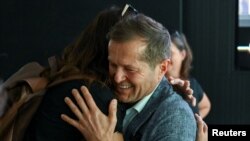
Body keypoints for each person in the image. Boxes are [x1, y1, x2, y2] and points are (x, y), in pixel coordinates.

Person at [22, 5, 194, 141]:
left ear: (162, 68)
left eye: (130, 69)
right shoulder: (101, 96)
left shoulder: (175, 119)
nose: (117, 78)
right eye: (112, 64)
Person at [166, 31, 211, 118]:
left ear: (182, 54)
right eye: (163, 53)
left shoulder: (192, 84)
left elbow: (206, 106)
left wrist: (193, 124)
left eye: (170, 53)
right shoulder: (157, 84)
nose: (166, 57)